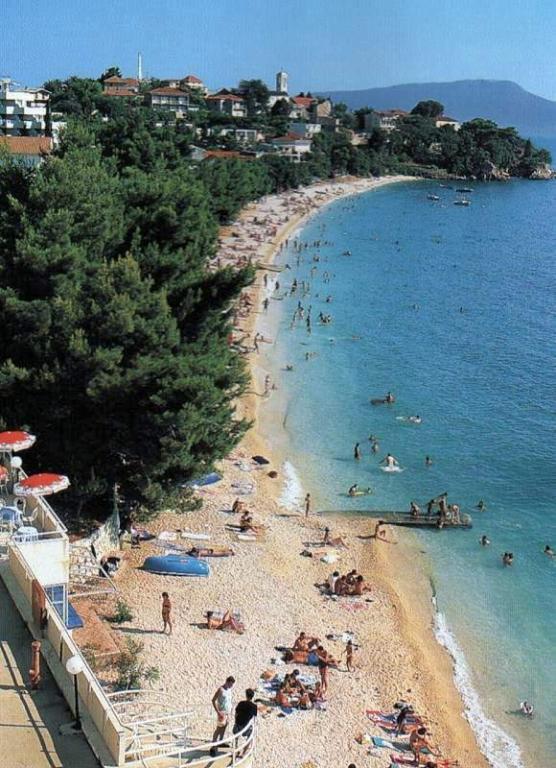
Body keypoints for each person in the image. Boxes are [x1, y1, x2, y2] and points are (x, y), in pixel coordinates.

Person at [210, 676, 235, 756]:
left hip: (228, 712)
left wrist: (231, 710)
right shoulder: (220, 690)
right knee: (218, 729)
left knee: (224, 727)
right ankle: (213, 746)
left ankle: (220, 742)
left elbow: (229, 700)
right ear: (227, 682)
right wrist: (218, 712)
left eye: (232, 685)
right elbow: (213, 700)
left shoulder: (229, 690)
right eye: (230, 684)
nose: (231, 686)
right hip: (222, 713)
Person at [233, 689, 257, 756]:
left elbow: (236, 713)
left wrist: (236, 721)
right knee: (250, 737)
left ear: (246, 695)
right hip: (246, 725)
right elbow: (254, 716)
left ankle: (236, 750)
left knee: (236, 737)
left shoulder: (241, 703)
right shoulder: (254, 706)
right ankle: (243, 753)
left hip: (238, 723)